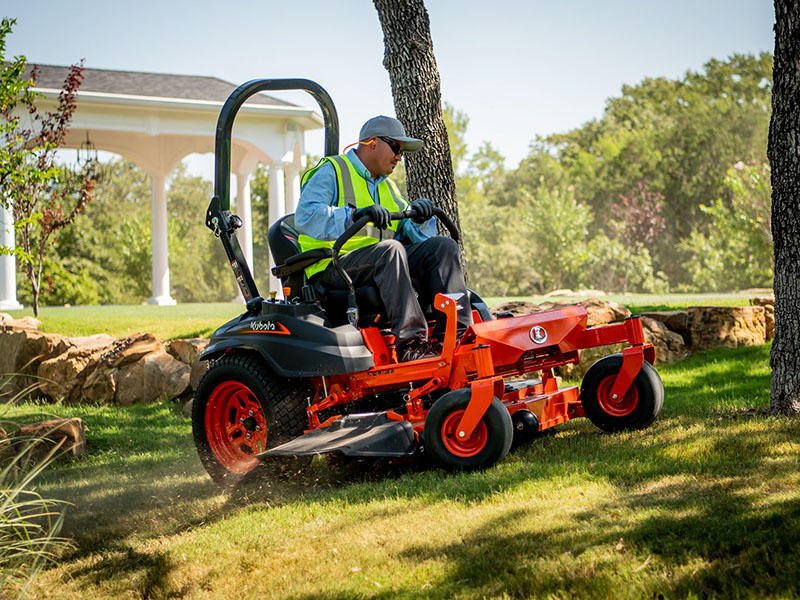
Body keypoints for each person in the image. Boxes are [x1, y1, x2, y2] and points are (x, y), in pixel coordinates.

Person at [295, 115, 472, 362]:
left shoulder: (387, 187)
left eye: (402, 151)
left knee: (443, 246)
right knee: (390, 250)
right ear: (373, 142)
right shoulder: (331, 171)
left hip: (379, 263)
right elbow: (306, 216)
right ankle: (411, 344)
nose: (400, 156)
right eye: (397, 147)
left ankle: (458, 337)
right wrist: (354, 215)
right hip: (332, 267)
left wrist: (419, 217)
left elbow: (411, 233)